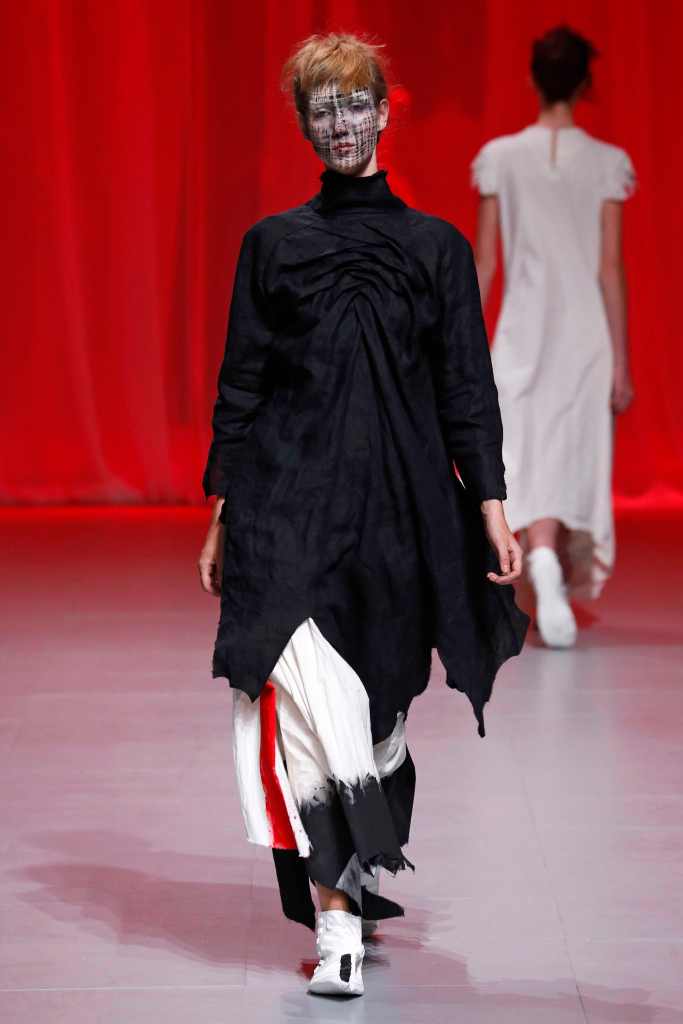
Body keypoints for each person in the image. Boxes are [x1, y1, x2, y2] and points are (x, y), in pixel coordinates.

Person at [198, 32, 529, 998]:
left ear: (385, 112)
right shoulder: (271, 246)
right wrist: (222, 509)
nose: (340, 123)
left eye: (354, 104)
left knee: (378, 710)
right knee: (310, 712)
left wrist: (492, 505)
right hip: (286, 508)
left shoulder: (437, 249)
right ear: (303, 126)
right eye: (322, 109)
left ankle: (360, 847)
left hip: (400, 514)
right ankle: (336, 925)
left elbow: (466, 387)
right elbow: (242, 384)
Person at [472, 25, 635, 648]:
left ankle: (540, 562)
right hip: (583, 332)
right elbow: (610, 268)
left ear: (532, 79)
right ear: (585, 82)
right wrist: (622, 362)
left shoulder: (500, 157)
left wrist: (460, 346)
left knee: (526, 449)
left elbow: (485, 264)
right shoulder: (608, 163)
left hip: (521, 327)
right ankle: (547, 566)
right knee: (566, 452)